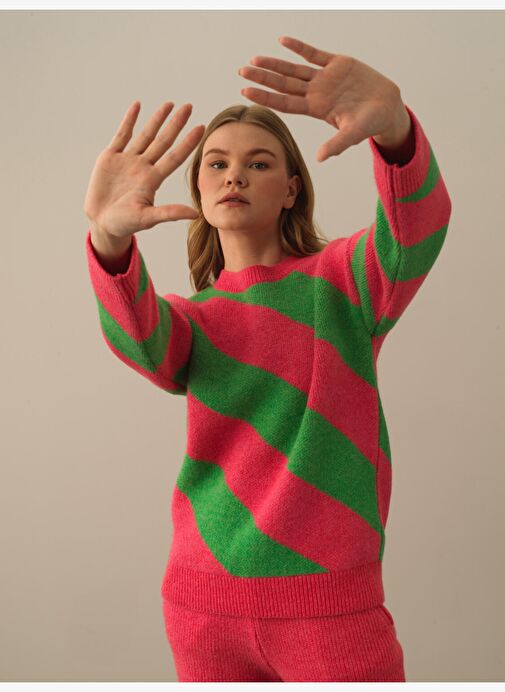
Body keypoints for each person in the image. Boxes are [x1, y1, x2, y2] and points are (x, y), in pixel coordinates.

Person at [84, 36, 451, 682]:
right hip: (202, 606)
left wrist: (395, 131)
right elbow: (138, 339)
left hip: (328, 607)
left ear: (290, 190)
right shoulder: (192, 320)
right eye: (217, 164)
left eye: (258, 163)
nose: (234, 175)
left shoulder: (342, 283)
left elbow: (414, 234)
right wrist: (107, 238)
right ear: (199, 191)